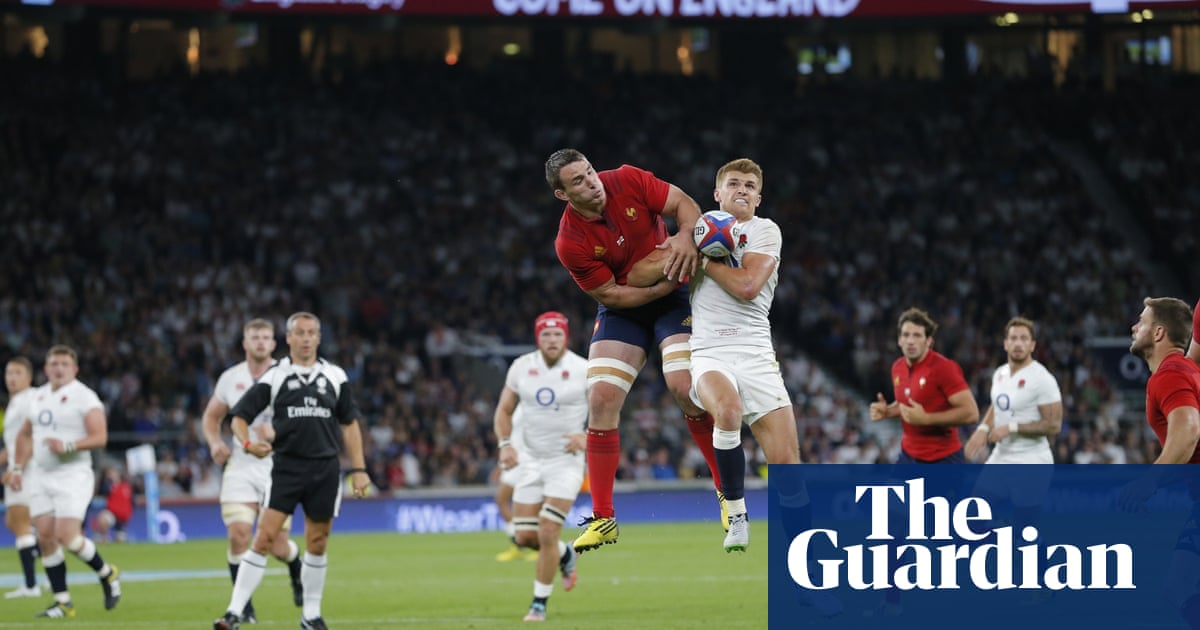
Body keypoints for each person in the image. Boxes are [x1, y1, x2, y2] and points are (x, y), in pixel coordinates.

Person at [546, 148, 725, 553]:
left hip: (674, 297)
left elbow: (684, 204)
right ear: (562, 195)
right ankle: (604, 518)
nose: (591, 182)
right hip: (627, 304)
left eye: (589, 172)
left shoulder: (627, 179)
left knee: (683, 385)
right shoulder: (569, 241)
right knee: (602, 398)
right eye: (578, 181)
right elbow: (611, 293)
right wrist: (663, 282)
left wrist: (683, 239)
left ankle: (726, 493)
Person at [213, 312, 371, 630]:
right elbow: (238, 417)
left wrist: (359, 468)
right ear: (288, 338)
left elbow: (349, 423)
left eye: (312, 332)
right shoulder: (275, 376)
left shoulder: (335, 376)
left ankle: (310, 615)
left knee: (318, 542)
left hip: (325, 469)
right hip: (286, 468)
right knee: (265, 537)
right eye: (300, 333)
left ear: (319, 337)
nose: (306, 338)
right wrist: (246, 444)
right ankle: (233, 612)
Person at [680, 158, 802, 553]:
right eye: (734, 184)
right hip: (709, 350)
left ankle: (808, 570)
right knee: (727, 411)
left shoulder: (765, 231)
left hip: (755, 352)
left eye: (751, 186)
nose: (743, 190)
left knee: (789, 471)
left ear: (759, 197)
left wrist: (705, 263)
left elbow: (748, 285)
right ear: (717, 194)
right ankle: (736, 516)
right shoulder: (694, 233)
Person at [202, 318, 304, 623]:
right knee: (239, 535)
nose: (260, 342)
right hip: (241, 466)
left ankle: (295, 567)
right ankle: (242, 606)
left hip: (278, 467)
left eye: (265, 337)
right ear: (245, 343)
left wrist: (278, 433)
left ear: (274, 344)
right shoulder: (230, 378)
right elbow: (211, 418)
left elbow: (305, 420)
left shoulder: (289, 375)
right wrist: (213, 442)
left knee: (275, 545)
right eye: (254, 337)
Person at [8, 345, 121, 618]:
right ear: (46, 369)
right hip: (41, 476)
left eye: (64, 364)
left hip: (73, 475)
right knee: (45, 536)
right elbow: (24, 434)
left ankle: (107, 573)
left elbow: (100, 437)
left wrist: (68, 445)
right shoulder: (39, 397)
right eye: (54, 364)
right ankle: (62, 602)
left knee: (67, 536)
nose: (58, 368)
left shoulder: (85, 397)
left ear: (75, 369)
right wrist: (17, 467)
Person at [493, 311, 587, 621]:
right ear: (538, 338)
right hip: (530, 461)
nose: (552, 340)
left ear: (566, 337)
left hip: (565, 462)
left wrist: (587, 436)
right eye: (546, 335)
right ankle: (565, 553)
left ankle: (538, 604)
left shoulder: (583, 369)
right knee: (524, 538)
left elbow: (609, 411)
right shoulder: (521, 367)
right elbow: (503, 410)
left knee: (548, 530)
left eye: (557, 334)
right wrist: (505, 445)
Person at [869, 307, 980, 464]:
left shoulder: (944, 368)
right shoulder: (897, 367)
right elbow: (906, 404)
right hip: (908, 456)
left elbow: (971, 413)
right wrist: (888, 411)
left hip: (942, 461)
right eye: (906, 335)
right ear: (899, 340)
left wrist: (927, 418)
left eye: (917, 335)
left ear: (929, 341)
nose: (911, 341)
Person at [964, 317, 1064, 464]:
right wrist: (983, 428)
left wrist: (1012, 427)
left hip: (1032, 459)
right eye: (1013, 338)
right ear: (1005, 344)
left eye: (1024, 339)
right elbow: (999, 404)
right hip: (1000, 455)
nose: (1018, 343)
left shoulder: (1042, 378)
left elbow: (1054, 425)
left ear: (1032, 345)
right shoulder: (999, 373)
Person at [1130, 297, 1200, 463]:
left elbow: (1189, 429)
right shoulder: (1189, 369)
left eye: (1141, 322)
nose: (1134, 328)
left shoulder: (1169, 375)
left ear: (1158, 332)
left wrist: (1149, 481)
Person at [1, 356, 40, 598]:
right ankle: (38, 578)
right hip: (19, 467)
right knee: (16, 523)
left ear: (29, 377)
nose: (11, 378)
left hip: (27, 470)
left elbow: (35, 436)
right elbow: (13, 442)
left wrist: (17, 467)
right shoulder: (14, 404)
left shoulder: (31, 399)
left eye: (17, 373)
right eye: (8, 373)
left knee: (20, 522)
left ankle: (31, 585)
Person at [493, 408, 537, 562]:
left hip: (522, 459)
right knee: (516, 502)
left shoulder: (532, 403)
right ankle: (523, 543)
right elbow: (513, 436)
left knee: (502, 499)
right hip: (514, 458)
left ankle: (522, 544)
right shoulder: (520, 404)